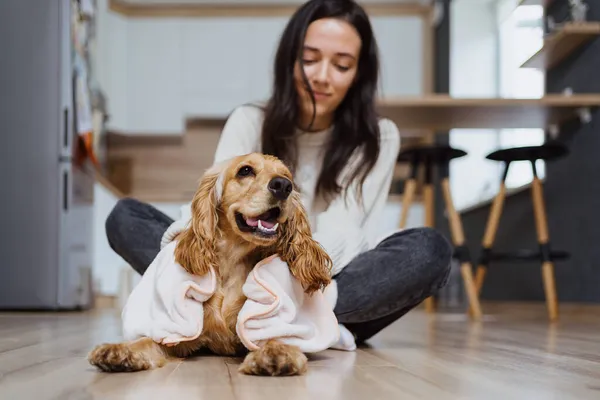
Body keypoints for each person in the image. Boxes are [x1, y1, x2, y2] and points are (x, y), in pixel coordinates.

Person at [106, 0, 452, 345]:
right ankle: (288, 329)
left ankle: (231, 324)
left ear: (359, 74)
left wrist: (288, 273)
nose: (321, 76)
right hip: (230, 271)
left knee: (429, 250)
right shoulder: (249, 119)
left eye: (342, 65)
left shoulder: (379, 137)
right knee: (126, 218)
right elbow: (216, 198)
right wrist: (186, 247)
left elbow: (344, 228)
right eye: (310, 59)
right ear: (289, 60)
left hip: (318, 278)